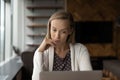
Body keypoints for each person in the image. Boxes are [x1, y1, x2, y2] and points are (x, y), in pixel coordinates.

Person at [32, 10, 92, 80]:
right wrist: (40, 52)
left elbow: (88, 77)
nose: (57, 36)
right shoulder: (43, 52)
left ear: (70, 31)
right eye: (54, 30)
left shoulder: (81, 50)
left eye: (63, 32)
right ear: (49, 28)